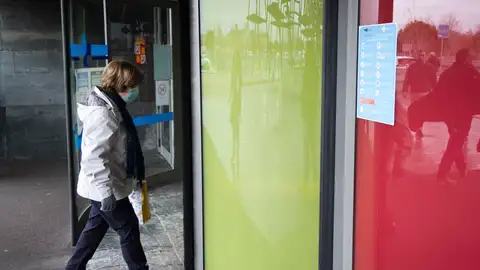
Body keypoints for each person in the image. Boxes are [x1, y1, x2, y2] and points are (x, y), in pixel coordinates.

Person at [66, 61, 148, 269]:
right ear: (122, 85)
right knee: (128, 228)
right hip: (105, 186)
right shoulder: (103, 114)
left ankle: (73, 267)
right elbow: (94, 158)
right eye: (133, 86)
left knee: (94, 230)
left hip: (107, 183)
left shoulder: (113, 107)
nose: (136, 91)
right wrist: (106, 193)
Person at [436, 49, 480, 183]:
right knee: (456, 142)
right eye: (470, 57)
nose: (472, 59)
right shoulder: (470, 73)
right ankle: (442, 174)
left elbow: (438, 93)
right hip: (463, 113)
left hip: (449, 114)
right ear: (466, 59)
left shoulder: (447, 73)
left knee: (456, 141)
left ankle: (461, 167)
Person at [402, 50, 437, 138]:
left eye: (423, 55)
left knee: (420, 111)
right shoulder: (414, 67)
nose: (421, 57)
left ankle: (419, 128)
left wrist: (435, 90)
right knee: (419, 111)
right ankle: (419, 128)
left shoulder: (428, 67)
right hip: (416, 92)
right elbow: (407, 79)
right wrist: (405, 90)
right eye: (420, 55)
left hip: (423, 92)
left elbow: (433, 80)